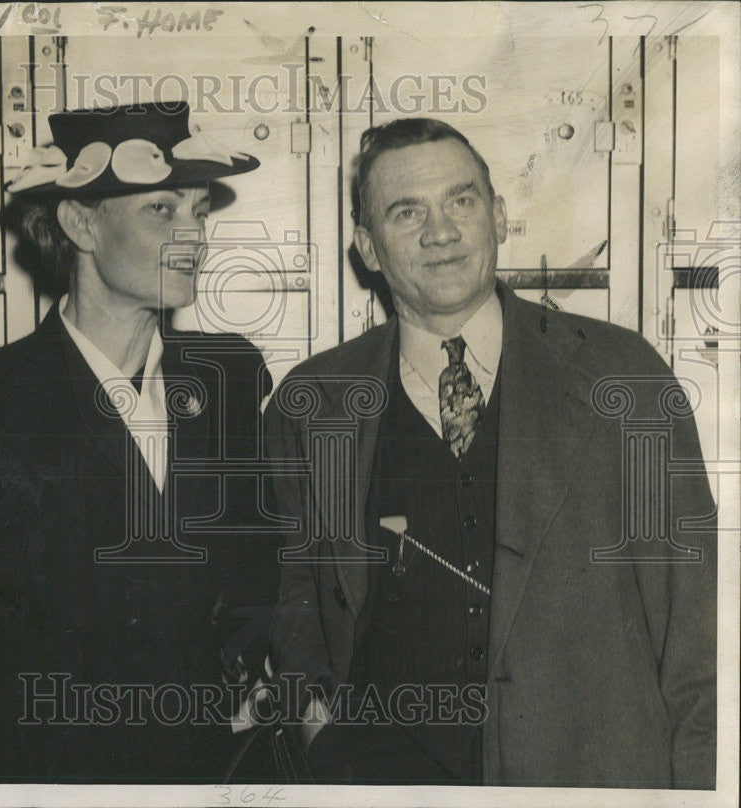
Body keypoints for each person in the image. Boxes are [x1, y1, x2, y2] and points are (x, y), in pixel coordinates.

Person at [266, 117, 716, 788]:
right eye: (406, 211)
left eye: (462, 200)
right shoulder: (311, 402)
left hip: (586, 780)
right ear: (366, 246)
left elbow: (696, 624)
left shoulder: (623, 374)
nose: (439, 231)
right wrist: (315, 727)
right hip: (380, 778)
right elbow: (292, 594)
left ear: (499, 216)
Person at [0, 101, 279, 783]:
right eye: (163, 210)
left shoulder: (230, 379)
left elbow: (253, 571)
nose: (195, 238)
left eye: (200, 211)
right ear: (80, 222)